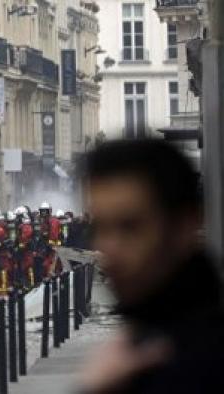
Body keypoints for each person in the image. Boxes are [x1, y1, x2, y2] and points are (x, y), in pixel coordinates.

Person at [79, 139, 222, 394]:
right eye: (101, 227)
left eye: (130, 227)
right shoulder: (144, 343)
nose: (109, 247)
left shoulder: (192, 361)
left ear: (185, 226)